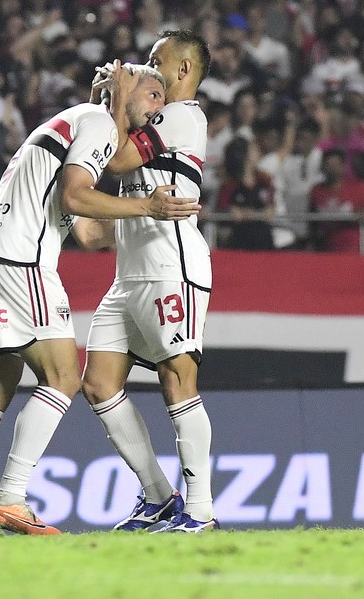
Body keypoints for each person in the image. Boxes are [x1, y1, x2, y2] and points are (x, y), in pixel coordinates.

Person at [0, 61, 201, 537]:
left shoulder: (78, 120)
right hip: (23, 261)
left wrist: (143, 227)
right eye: (154, 94)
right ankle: (11, 497)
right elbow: (78, 197)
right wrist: (147, 204)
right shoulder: (100, 123)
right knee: (62, 377)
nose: (161, 106)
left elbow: (84, 230)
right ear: (125, 88)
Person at [79, 29, 220, 533]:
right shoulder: (153, 117)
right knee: (98, 384)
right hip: (130, 270)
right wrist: (106, 102)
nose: (150, 68)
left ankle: (200, 510)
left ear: (183, 70)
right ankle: (160, 496)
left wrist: (117, 100)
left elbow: (115, 160)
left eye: (157, 61)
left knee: (177, 379)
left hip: (170, 264)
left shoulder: (185, 115)